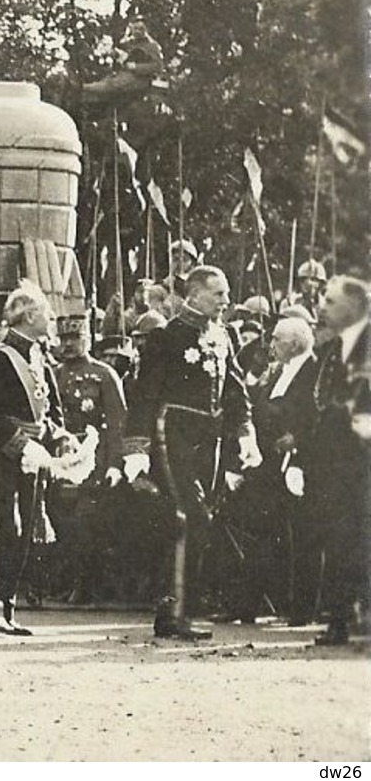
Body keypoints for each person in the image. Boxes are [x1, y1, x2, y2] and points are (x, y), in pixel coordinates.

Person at [121, 264, 258, 640]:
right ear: (195, 294)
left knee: (201, 519)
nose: (226, 301)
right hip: (174, 431)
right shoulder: (167, 337)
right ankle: (176, 614)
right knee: (188, 515)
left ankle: (174, 610)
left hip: (209, 439)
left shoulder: (225, 333)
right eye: (219, 294)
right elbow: (145, 394)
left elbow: (235, 388)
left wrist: (246, 433)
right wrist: (137, 449)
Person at [0, 281, 66, 636]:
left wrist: (61, 437)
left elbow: (43, 412)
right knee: (5, 528)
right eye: (47, 313)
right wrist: (19, 441)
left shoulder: (37, 356)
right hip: (2, 453)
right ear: (30, 314)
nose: (52, 319)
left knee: (23, 534)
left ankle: (6, 607)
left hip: (31, 455)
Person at [211, 316, 317, 624]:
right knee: (261, 536)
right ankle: (245, 606)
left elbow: (318, 414)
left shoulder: (312, 373)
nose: (270, 346)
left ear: (295, 343)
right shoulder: (275, 373)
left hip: (298, 466)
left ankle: (302, 610)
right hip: (267, 466)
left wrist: (299, 438)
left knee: (300, 538)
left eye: (276, 340)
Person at [302, 276, 370, 646]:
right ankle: (341, 619)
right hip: (339, 464)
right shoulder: (333, 349)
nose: (322, 307)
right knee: (342, 538)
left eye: (330, 301)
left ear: (356, 305)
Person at [51, 314, 127, 604]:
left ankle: (86, 584)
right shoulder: (54, 374)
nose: (69, 345)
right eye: (64, 339)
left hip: (93, 458)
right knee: (61, 520)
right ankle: (64, 581)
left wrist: (114, 464)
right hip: (61, 457)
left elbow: (118, 422)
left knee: (86, 524)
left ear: (88, 339)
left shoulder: (104, 375)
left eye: (75, 339)